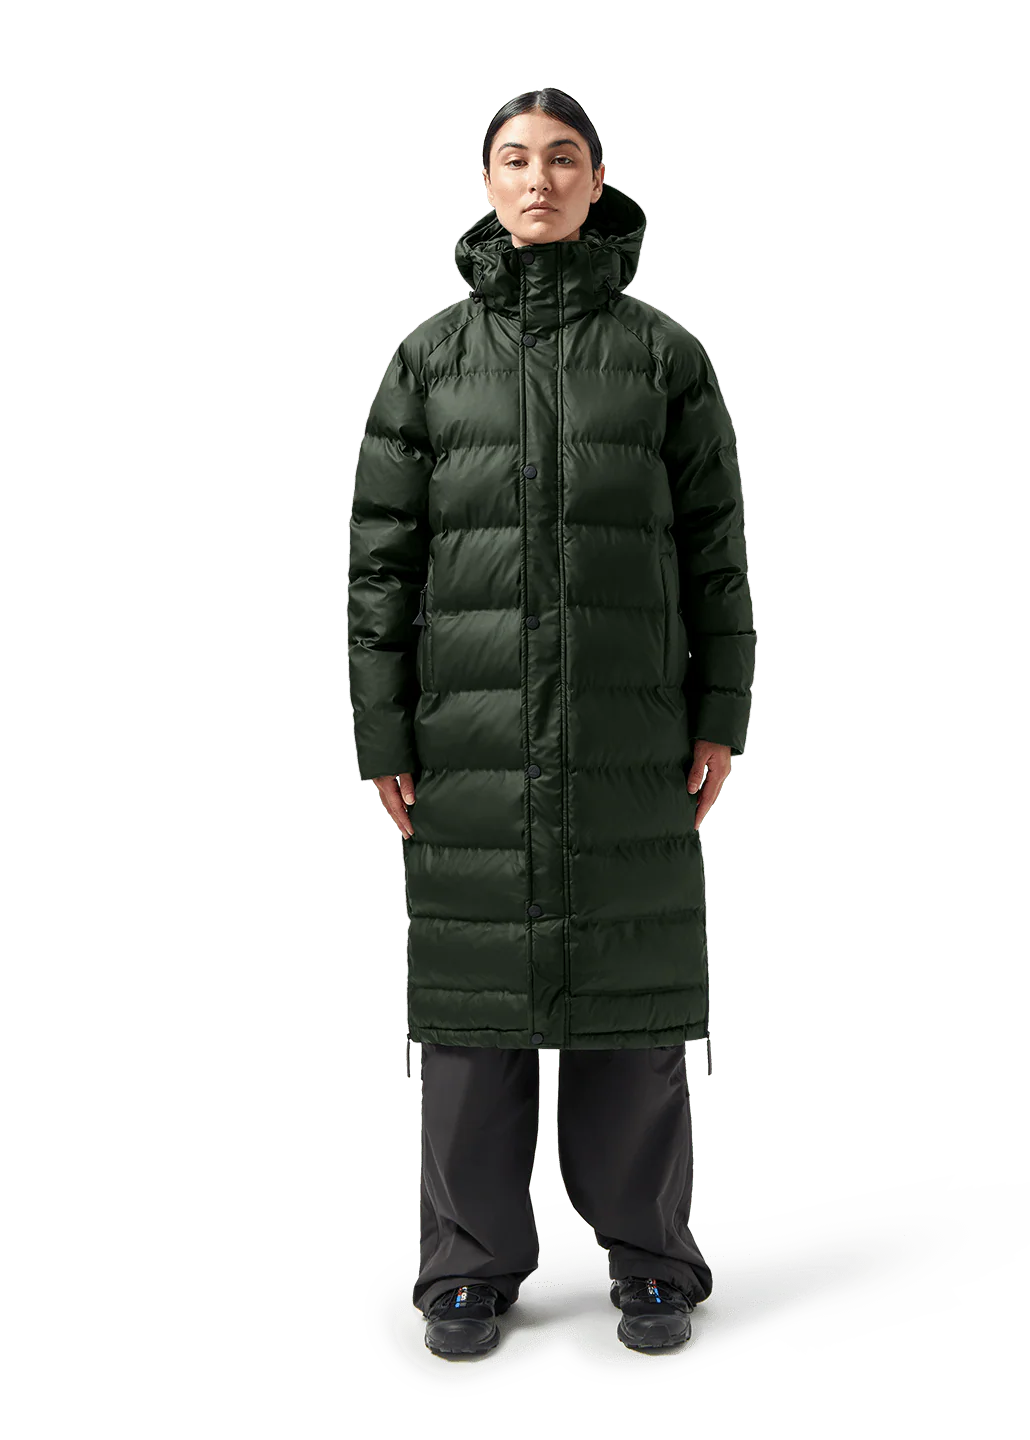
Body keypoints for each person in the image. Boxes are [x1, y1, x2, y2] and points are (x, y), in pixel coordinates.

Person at [346, 88, 757, 1359]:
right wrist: (382, 734)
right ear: (487, 184)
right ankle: (467, 1267)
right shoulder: (428, 359)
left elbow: (717, 550)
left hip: (631, 730)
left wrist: (722, 711)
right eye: (516, 159)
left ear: (595, 182)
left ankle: (653, 1260)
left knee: (632, 995)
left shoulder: (666, 357)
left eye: (562, 158)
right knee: (474, 1009)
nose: (539, 180)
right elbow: (379, 563)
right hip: (467, 735)